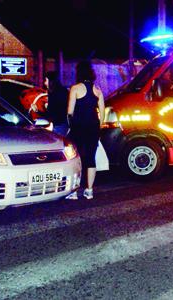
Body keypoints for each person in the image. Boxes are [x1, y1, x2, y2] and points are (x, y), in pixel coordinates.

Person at [67, 61, 105, 200]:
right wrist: (98, 126)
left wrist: (70, 126)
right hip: (93, 127)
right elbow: (102, 111)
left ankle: (74, 191)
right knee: (91, 158)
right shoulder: (98, 90)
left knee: (77, 158)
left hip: (78, 127)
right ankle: (89, 190)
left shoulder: (75, 88)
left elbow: (70, 112)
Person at [44, 71, 69, 136]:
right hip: (63, 125)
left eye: (46, 80)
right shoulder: (63, 91)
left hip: (58, 125)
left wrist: (39, 111)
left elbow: (51, 113)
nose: (45, 83)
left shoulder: (54, 93)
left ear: (51, 81)